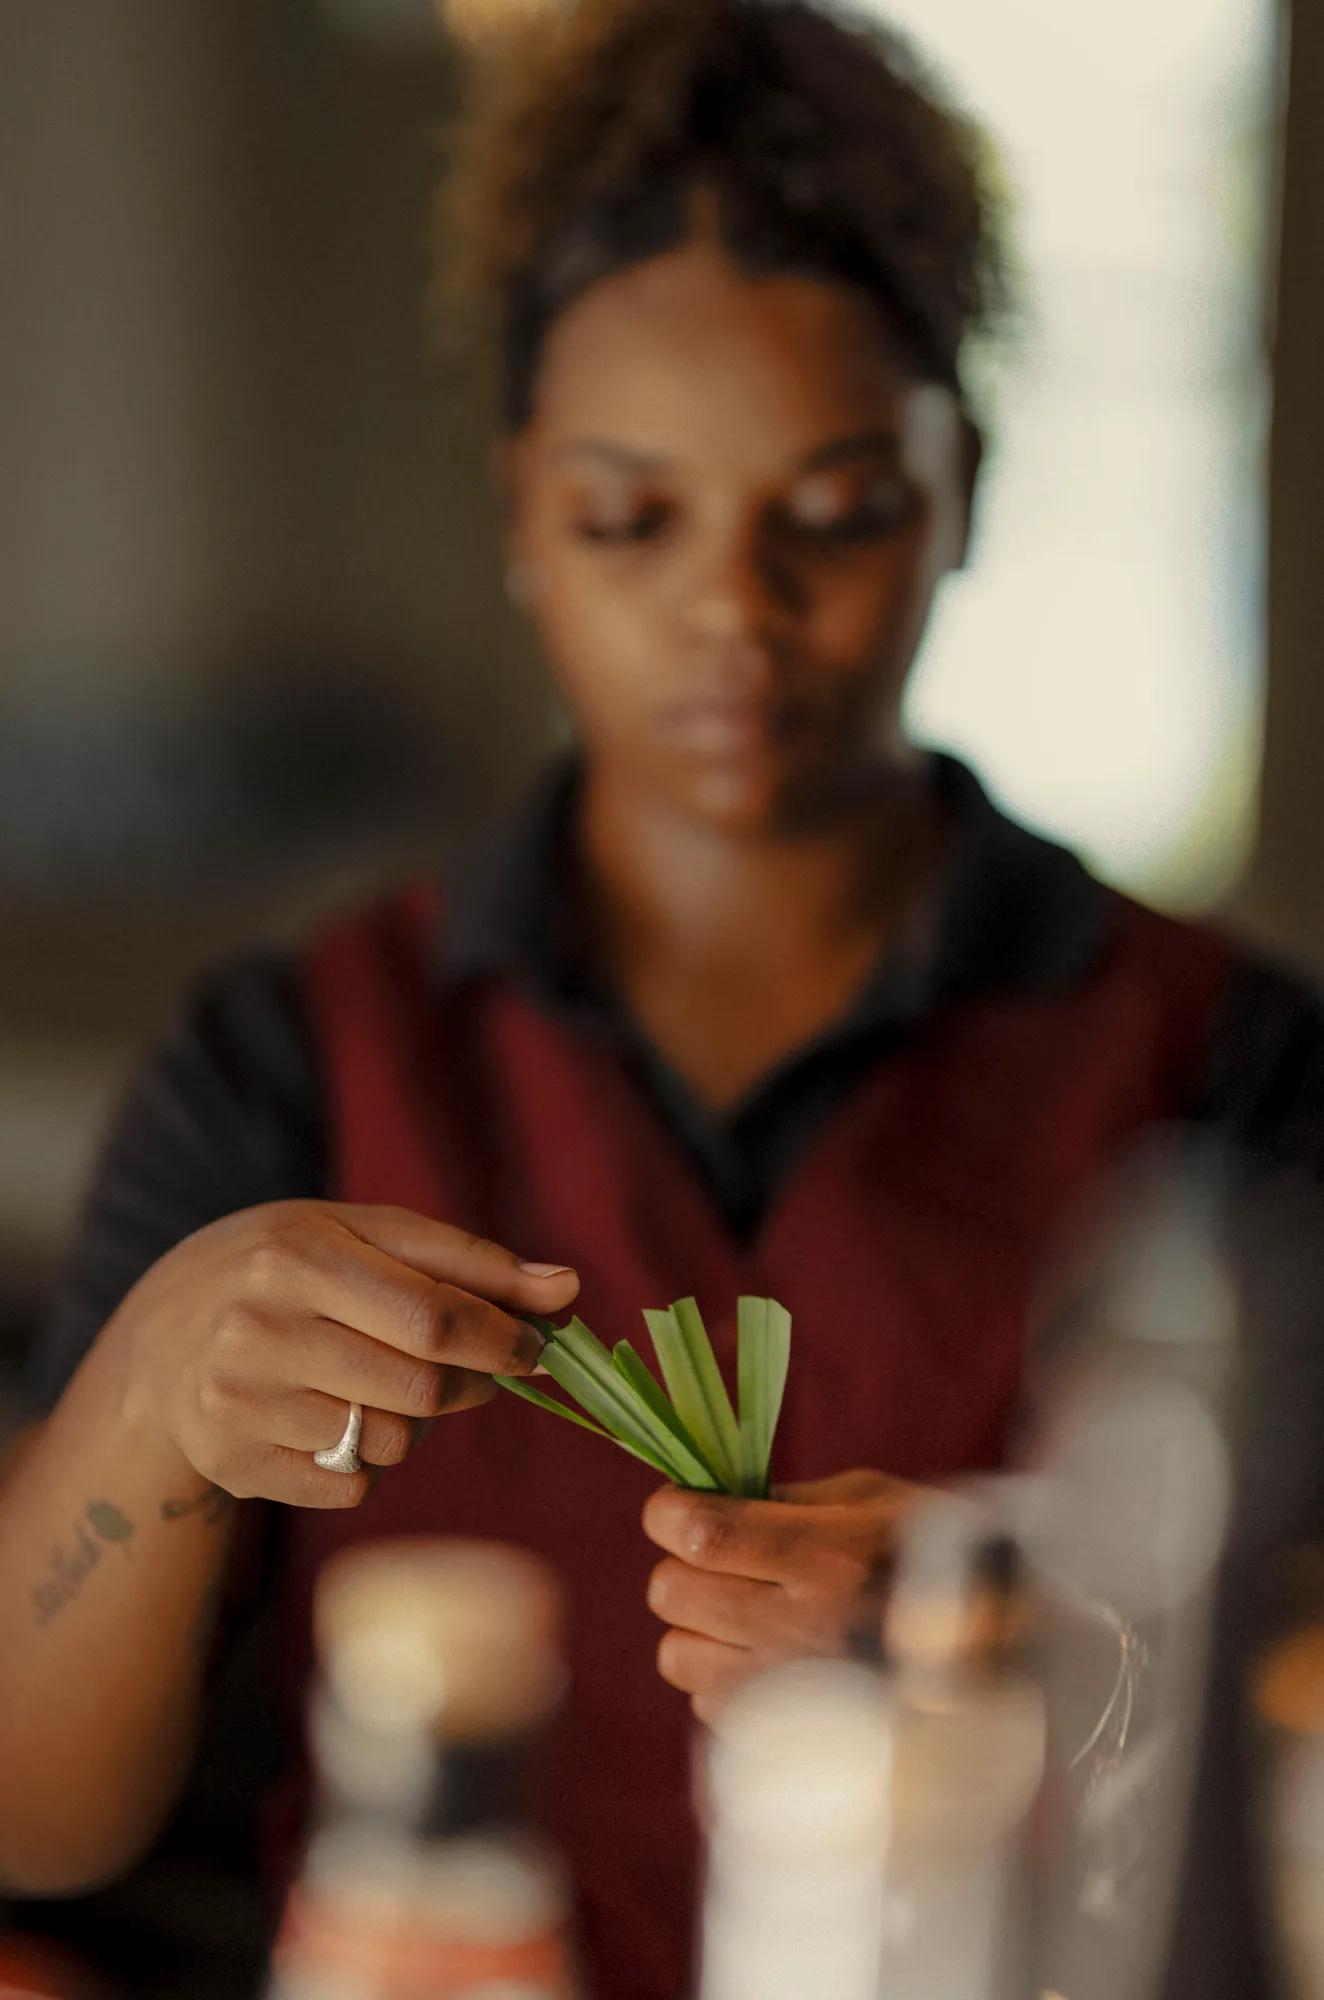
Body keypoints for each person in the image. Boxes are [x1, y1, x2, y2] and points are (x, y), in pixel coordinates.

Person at [2, 2, 1321, 1995]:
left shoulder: (1218, 1059)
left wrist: (1053, 1639)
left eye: (835, 512)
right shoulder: (294, 1050)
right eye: (632, 518)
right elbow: (31, 1817)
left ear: (960, 490)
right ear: (522, 509)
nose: (733, 614)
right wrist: (157, 1384)